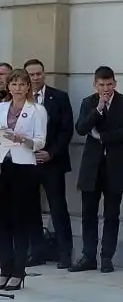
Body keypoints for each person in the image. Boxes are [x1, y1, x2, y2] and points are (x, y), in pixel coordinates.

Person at [71, 66, 123, 273]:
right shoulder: (88, 103)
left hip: (116, 166)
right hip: (93, 166)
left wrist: (102, 137)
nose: (106, 89)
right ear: (95, 84)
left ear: (115, 83)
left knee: (111, 213)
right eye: (102, 85)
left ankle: (107, 256)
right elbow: (81, 128)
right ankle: (88, 256)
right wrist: (98, 110)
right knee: (88, 213)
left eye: (109, 84)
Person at [0, 69, 48, 291]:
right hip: (3, 165)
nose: (17, 88)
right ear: (8, 86)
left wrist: (22, 139)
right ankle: (5, 267)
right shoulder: (1, 107)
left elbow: (39, 142)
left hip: (24, 166)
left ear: (28, 86)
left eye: (21, 84)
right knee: (3, 221)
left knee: (20, 221)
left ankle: (19, 271)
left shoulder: (37, 110)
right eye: (13, 84)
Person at [24, 59, 75, 269]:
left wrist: (50, 153)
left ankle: (65, 254)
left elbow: (66, 130)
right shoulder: (19, 100)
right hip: (27, 163)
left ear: (44, 74)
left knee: (58, 208)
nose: (35, 78)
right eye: (31, 75)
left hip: (52, 163)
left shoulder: (59, 97)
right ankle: (37, 252)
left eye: (39, 74)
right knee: (30, 209)